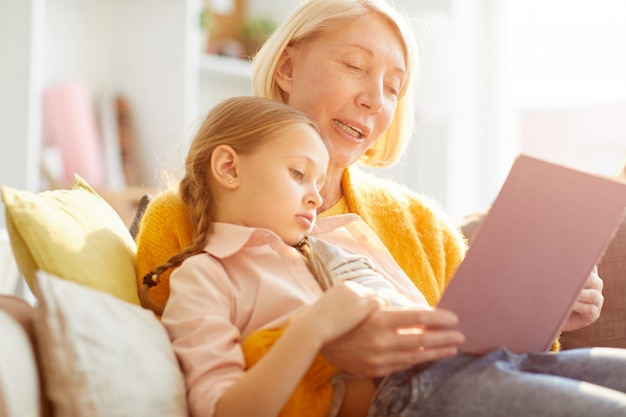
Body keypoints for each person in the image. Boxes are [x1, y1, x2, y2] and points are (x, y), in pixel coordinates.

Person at [136, 0, 604, 382]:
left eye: (393, 88)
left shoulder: (423, 226)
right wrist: (325, 349)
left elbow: (483, 361)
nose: (374, 100)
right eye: (355, 66)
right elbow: (182, 373)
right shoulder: (181, 218)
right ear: (286, 68)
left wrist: (546, 316)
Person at [158, 96, 626, 417]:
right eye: (299, 174)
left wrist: (538, 311)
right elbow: (223, 410)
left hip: (483, 361)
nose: (316, 198)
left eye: (318, 184)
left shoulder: (326, 246)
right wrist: (313, 329)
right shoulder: (204, 274)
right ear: (228, 168)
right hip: (411, 393)